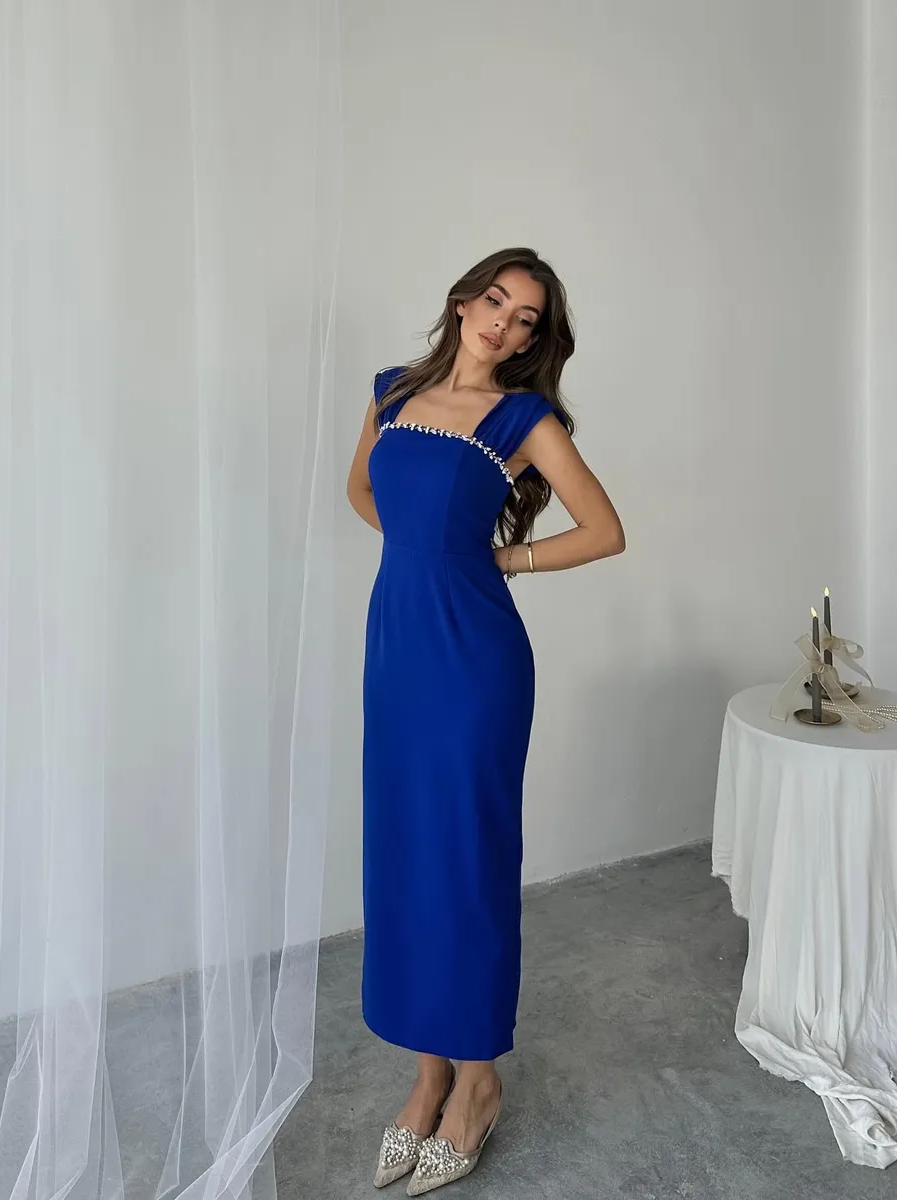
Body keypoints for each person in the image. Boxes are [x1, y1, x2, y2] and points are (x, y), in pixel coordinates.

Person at [345, 247, 625, 1194]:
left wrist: (497, 560)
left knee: (464, 859)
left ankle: (476, 1083)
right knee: (403, 852)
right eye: (496, 301)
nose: (504, 323)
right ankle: (426, 1076)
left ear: (533, 338)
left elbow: (604, 530)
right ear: (463, 301)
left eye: (526, 318)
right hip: (397, 650)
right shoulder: (390, 392)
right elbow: (361, 492)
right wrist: (425, 548)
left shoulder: (521, 419)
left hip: (474, 662)